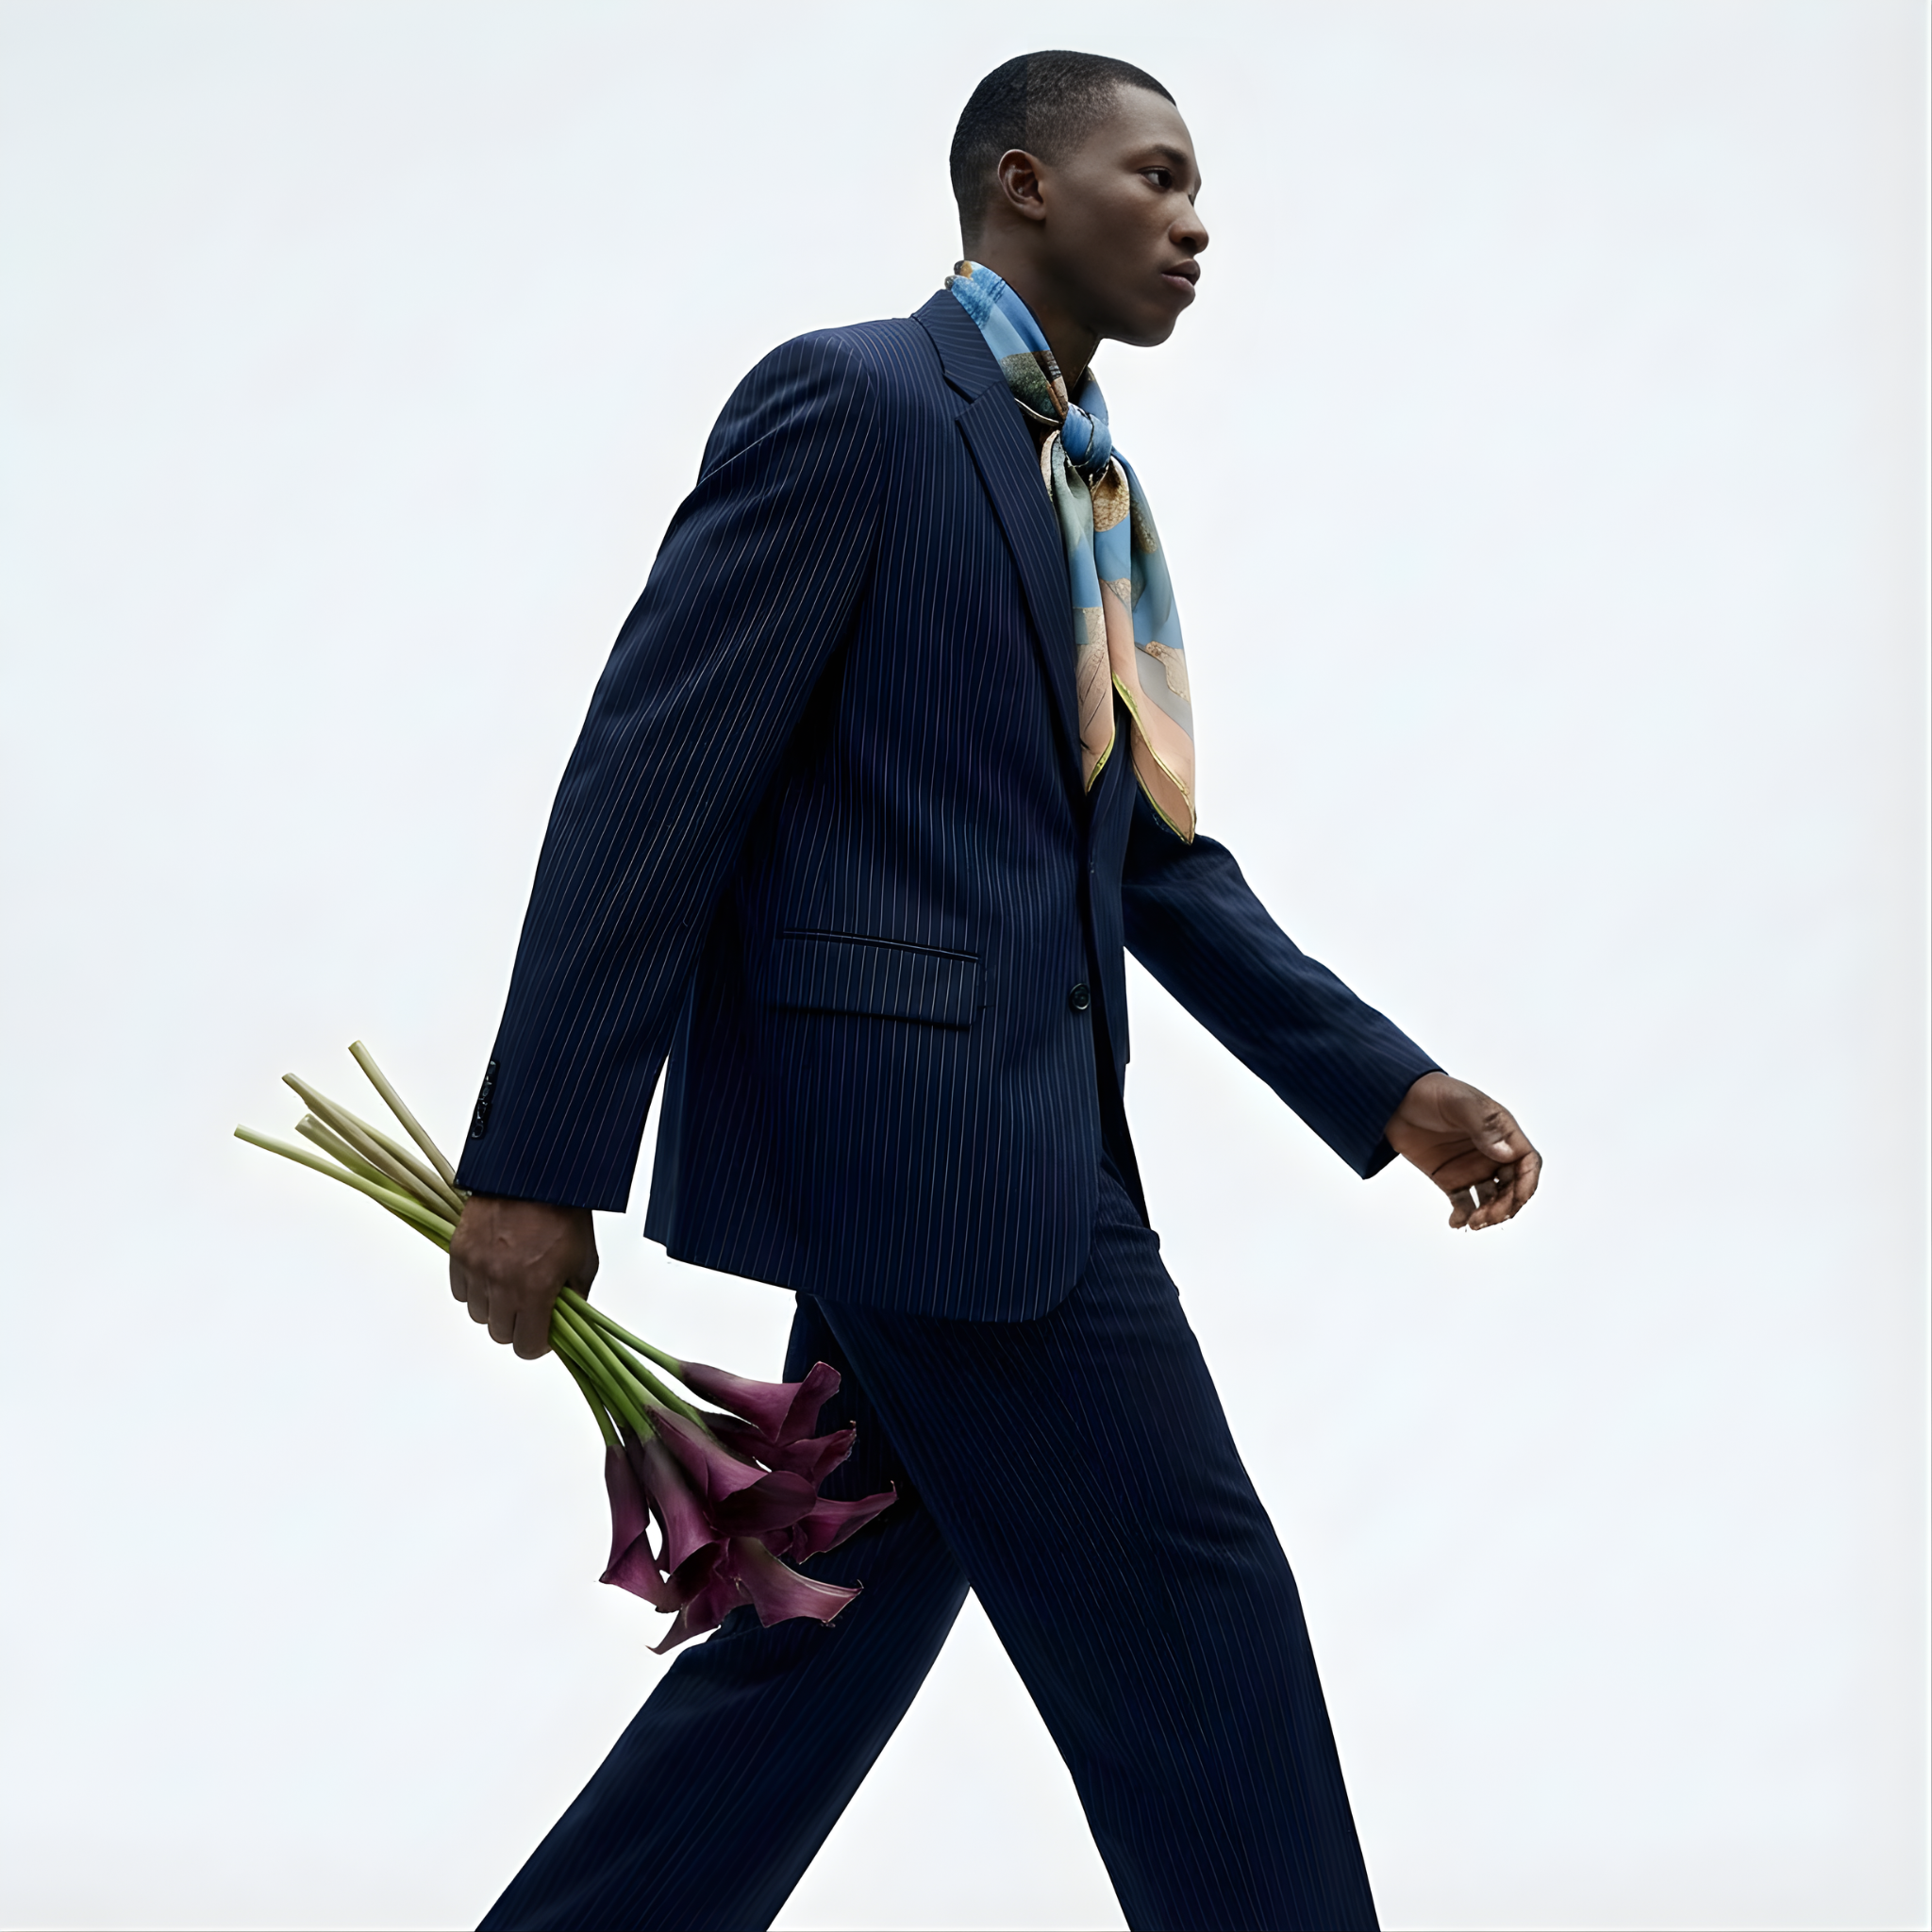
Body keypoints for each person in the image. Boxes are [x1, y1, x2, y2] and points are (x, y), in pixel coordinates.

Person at [448, 48, 1541, 1932]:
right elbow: (653, 780)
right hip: (951, 1173)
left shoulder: (1078, 484)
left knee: (808, 1651)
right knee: (1203, 1619)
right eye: (1159, 177)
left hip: (977, 1167)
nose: (1197, 224)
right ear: (1025, 186)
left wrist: (1380, 1085)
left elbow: (1143, 857)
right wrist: (536, 1158)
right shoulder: (857, 407)